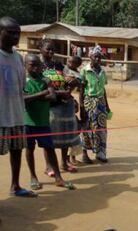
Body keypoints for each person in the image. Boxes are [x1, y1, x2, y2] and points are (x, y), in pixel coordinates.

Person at [23, 54, 75, 190]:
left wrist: (34, 97)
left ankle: (58, 178)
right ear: (25, 65)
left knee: (50, 149)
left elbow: (52, 96)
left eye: (38, 65)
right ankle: (33, 177)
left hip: (43, 122)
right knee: (29, 149)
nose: (35, 67)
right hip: (28, 122)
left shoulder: (45, 80)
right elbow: (23, 100)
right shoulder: (23, 81)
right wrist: (42, 94)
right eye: (32, 64)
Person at [0, 16, 37, 198]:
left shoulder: (19, 59)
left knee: (16, 151)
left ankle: (15, 186)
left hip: (16, 115)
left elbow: (22, 88)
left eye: (18, 33)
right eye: (10, 32)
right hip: (0, 117)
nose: (15, 36)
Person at [39, 39, 81, 174]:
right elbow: (39, 86)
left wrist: (72, 82)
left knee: (65, 136)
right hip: (48, 105)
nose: (51, 52)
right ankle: (49, 166)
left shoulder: (59, 65)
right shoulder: (37, 66)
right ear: (41, 49)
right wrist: (59, 92)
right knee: (48, 138)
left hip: (63, 105)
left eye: (53, 49)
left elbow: (71, 77)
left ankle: (64, 163)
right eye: (48, 49)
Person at [80, 45, 111, 163]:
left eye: (99, 57)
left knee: (102, 129)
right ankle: (84, 154)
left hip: (101, 103)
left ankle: (101, 153)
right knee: (87, 128)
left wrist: (107, 106)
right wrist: (82, 106)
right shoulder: (85, 70)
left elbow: (103, 90)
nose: (98, 59)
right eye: (95, 57)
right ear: (90, 57)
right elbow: (81, 89)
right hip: (89, 103)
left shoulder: (103, 71)